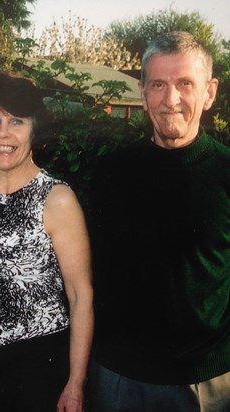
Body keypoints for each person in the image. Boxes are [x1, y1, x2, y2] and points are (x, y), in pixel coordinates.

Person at [88, 31, 230, 411]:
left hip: (207, 384)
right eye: (158, 85)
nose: (171, 100)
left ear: (210, 92)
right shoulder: (109, 174)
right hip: (117, 379)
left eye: (186, 83)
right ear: (142, 91)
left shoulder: (226, 173)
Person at [0, 72, 94, 411]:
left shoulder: (57, 200)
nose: (3, 133)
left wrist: (75, 383)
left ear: (35, 129)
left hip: (36, 364)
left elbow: (81, 296)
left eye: (17, 120)